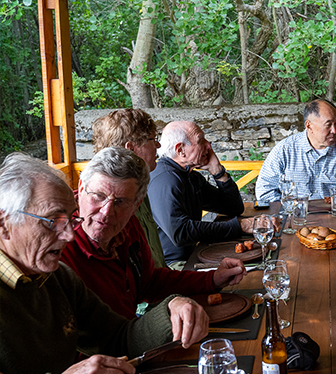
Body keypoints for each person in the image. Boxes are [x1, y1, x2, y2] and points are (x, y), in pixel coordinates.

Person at [0, 153, 209, 374]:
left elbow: (116, 338)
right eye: (52, 221)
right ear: (4, 224)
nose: (70, 236)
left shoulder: (56, 278)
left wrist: (172, 307)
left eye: (70, 220)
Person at [61, 147, 247, 319]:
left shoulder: (129, 225)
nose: (106, 211)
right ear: (82, 187)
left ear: (137, 204)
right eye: (98, 196)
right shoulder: (57, 244)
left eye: (120, 202)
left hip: (129, 339)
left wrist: (212, 278)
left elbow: (150, 282)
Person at [148, 120, 254, 265]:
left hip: (197, 254)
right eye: (201, 141)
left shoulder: (190, 176)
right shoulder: (165, 180)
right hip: (174, 266)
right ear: (180, 150)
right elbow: (181, 233)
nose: (209, 146)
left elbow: (233, 208)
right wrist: (240, 226)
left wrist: (218, 171)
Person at [92, 108, 167, 268]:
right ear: (131, 149)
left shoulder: (139, 189)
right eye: (153, 139)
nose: (158, 145)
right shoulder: (108, 207)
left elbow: (157, 267)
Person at [255, 99, 336, 202]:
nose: (334, 130)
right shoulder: (285, 150)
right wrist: (288, 207)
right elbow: (264, 191)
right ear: (309, 126)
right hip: (294, 216)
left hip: (334, 216)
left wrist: (333, 206)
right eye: (328, 125)